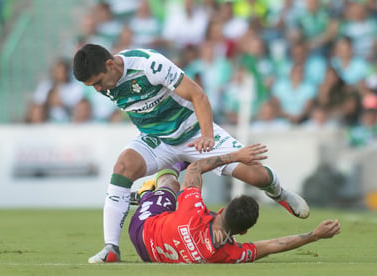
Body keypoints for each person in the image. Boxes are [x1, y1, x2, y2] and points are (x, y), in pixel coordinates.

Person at [72, 44, 310, 263]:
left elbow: (198, 95)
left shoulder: (149, 65)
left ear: (110, 65)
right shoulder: (106, 84)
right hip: (157, 140)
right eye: (93, 85)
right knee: (122, 168)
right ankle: (111, 247)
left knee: (256, 175)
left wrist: (207, 135)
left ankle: (278, 193)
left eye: (98, 82)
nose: (98, 89)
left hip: (194, 132)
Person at [128, 145, 341, 263]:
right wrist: (315, 235)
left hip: (142, 229)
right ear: (245, 231)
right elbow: (271, 246)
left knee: (170, 182)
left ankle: (147, 191)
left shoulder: (193, 211)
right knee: (179, 197)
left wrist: (235, 156)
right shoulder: (229, 254)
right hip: (149, 256)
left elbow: (194, 169)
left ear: (222, 209)